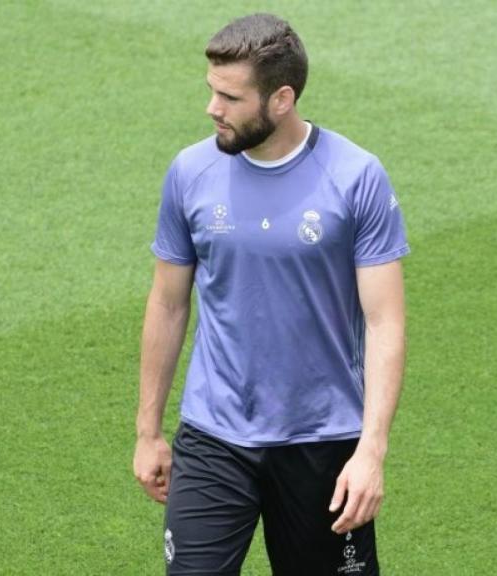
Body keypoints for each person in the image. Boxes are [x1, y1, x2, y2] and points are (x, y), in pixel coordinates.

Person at [133, 13, 409, 576]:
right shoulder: (190, 172)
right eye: (212, 90)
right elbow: (167, 303)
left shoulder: (355, 177)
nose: (212, 108)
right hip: (213, 435)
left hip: (323, 439)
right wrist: (148, 432)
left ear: (281, 99)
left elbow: (385, 322)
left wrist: (371, 451)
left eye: (231, 98)